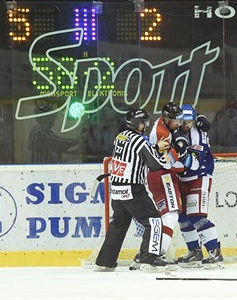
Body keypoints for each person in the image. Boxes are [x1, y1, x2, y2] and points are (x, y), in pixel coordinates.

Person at [94, 108, 175, 272]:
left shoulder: (120, 137)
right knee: (154, 220)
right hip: (133, 189)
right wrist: (166, 157)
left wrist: (154, 147)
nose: (145, 124)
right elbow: (154, 165)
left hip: (116, 189)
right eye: (144, 122)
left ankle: (105, 261)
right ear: (138, 124)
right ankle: (149, 258)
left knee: (118, 224)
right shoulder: (141, 141)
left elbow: (137, 151)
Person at [135, 102, 210, 269]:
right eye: (177, 120)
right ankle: (155, 255)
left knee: (165, 216)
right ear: (168, 119)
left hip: (158, 176)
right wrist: (186, 160)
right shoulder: (163, 134)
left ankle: (146, 252)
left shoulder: (162, 123)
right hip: (163, 176)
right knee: (171, 215)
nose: (179, 124)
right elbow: (168, 163)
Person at [174, 104, 223, 269]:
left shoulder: (199, 134)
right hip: (182, 179)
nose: (185, 124)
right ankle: (194, 251)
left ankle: (214, 251)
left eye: (189, 121)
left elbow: (193, 164)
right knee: (182, 217)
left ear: (194, 120)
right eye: (183, 120)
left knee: (196, 216)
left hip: (199, 177)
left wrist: (181, 157)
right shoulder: (176, 132)